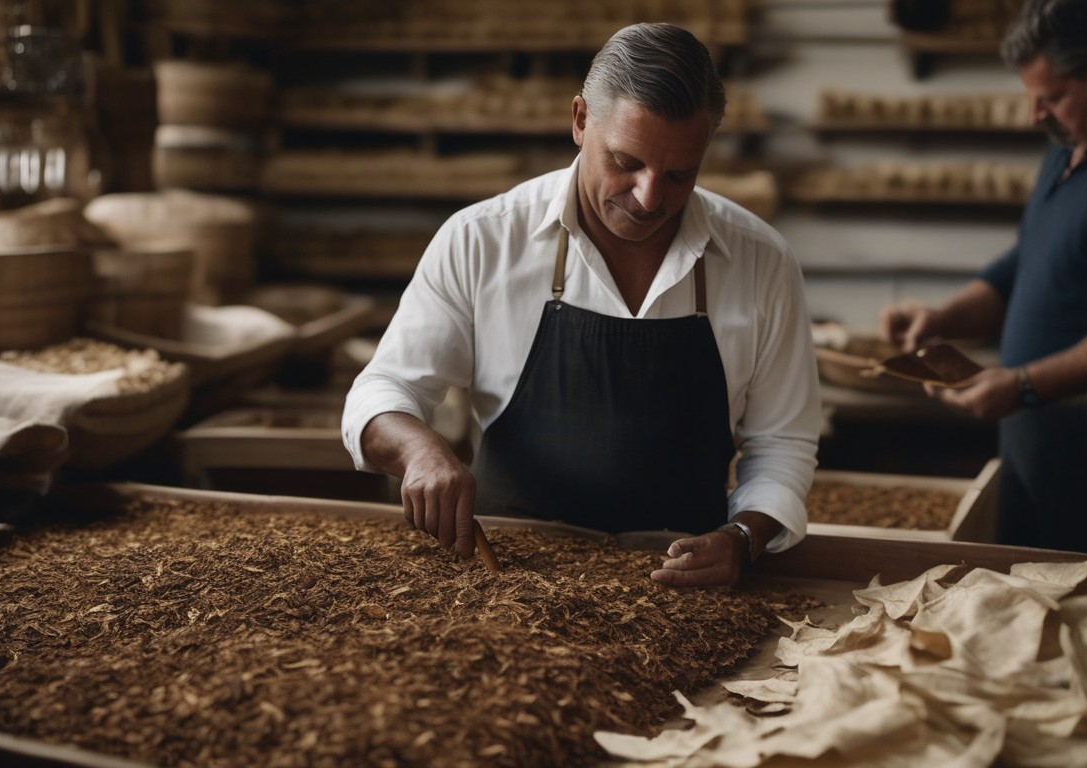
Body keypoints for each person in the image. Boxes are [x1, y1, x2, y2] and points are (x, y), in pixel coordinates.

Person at [342, 23, 820, 588]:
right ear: (579, 120)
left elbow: (782, 442)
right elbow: (381, 391)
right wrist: (420, 450)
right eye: (626, 162)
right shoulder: (483, 240)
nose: (649, 198)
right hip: (507, 578)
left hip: (683, 582)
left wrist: (743, 538)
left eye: (678, 175)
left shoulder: (760, 260)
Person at [879, 0, 1087, 562]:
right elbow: (1027, 265)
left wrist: (1023, 385)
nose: (1036, 113)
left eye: (1052, 97)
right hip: (1057, 437)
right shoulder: (1074, 147)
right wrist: (943, 319)